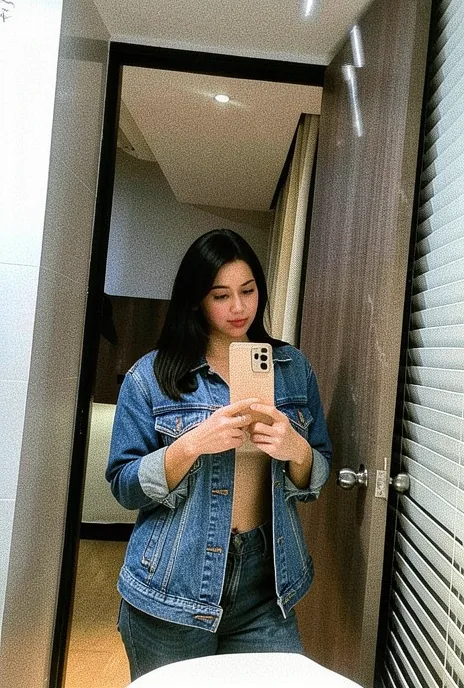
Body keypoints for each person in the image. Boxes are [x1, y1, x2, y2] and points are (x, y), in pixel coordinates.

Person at [106, 228, 332, 680]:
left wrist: (296, 450)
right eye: (221, 295)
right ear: (195, 300)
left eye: (248, 291)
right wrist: (192, 443)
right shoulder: (150, 376)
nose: (239, 307)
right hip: (173, 583)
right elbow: (125, 487)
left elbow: (318, 472)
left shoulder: (292, 370)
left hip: (265, 585)